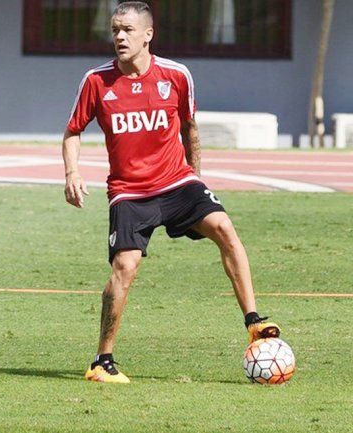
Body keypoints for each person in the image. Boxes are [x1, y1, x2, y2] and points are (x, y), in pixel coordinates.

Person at [61, 2, 280, 384]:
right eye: (115, 30)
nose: (119, 37)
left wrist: (198, 181)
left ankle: (254, 322)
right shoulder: (96, 81)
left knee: (225, 228)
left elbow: (190, 128)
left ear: (148, 34)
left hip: (178, 182)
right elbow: (73, 131)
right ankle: (102, 361)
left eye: (128, 30)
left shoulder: (176, 75)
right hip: (129, 191)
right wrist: (72, 172)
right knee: (125, 267)